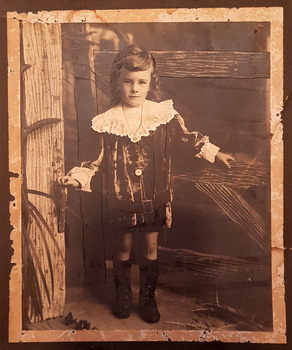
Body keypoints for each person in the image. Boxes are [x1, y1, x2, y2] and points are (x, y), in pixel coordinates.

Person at [59, 44, 234, 324]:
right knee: (123, 249)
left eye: (141, 82)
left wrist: (214, 152)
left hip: (155, 197)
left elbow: (188, 139)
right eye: (128, 81)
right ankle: (123, 297)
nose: (135, 89)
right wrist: (77, 178)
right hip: (120, 200)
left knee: (151, 249)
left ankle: (148, 300)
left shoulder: (163, 116)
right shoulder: (106, 122)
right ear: (117, 82)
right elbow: (94, 161)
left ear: (151, 82)